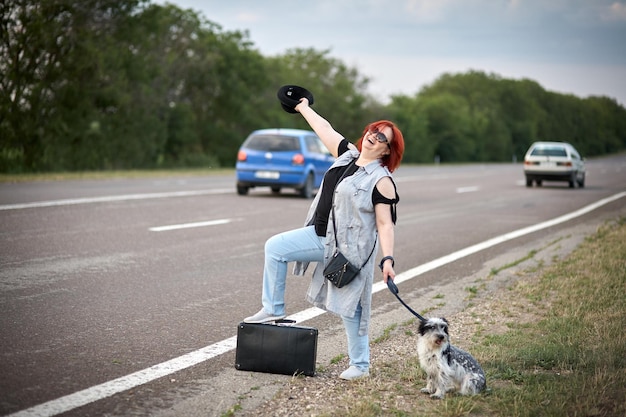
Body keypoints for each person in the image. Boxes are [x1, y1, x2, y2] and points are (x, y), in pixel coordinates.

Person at [244, 96, 405, 380]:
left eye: (381, 137)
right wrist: (303, 107)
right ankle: (272, 308)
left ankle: (361, 366)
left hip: (349, 251)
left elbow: (385, 224)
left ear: (386, 150)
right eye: (372, 130)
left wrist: (388, 259)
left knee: (351, 308)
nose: (372, 136)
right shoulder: (347, 155)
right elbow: (324, 128)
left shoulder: (381, 181)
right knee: (276, 247)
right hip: (319, 236)